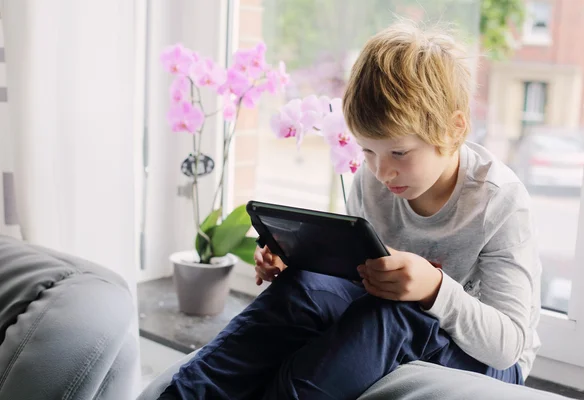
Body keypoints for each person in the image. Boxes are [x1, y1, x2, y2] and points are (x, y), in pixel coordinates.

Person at [158, 19, 541, 400]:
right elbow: (353, 282)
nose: (381, 170)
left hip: (489, 359)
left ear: (454, 130)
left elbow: (507, 345)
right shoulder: (374, 180)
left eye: (400, 152)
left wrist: (434, 289)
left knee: (395, 315)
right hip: (387, 316)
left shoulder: (498, 202)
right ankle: (187, 394)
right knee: (303, 290)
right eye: (367, 151)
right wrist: (301, 264)